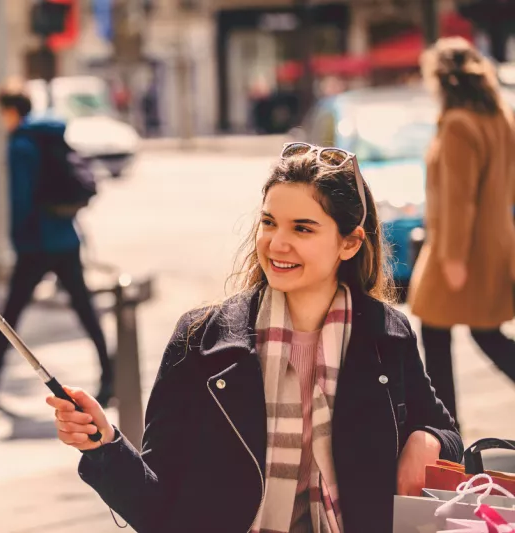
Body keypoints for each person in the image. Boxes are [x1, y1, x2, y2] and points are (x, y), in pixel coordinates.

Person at [46, 143, 462, 533]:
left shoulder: (386, 334)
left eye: (303, 229)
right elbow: (159, 508)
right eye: (269, 222)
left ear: (349, 243)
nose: (277, 243)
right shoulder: (200, 339)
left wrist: (427, 440)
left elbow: (447, 435)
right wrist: (105, 446)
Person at [0, 77, 114, 406]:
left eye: (3, 113)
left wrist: (17, 240)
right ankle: (109, 373)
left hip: (36, 243)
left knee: (10, 313)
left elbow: (21, 200)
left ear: (11, 111)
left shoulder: (20, 145)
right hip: (65, 239)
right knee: (84, 310)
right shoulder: (49, 137)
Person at [408, 37, 515, 426]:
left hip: (462, 248)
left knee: (437, 334)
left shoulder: (458, 125)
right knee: (485, 332)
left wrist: (452, 258)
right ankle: (445, 425)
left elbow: (458, 200)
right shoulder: (500, 117)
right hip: (496, 242)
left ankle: (444, 428)